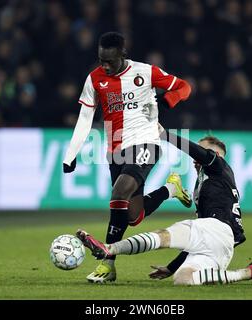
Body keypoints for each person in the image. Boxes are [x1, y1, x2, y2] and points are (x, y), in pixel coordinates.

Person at [62, 32, 192, 283]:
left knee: (119, 193)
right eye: (101, 60)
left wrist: (168, 100)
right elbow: (85, 118)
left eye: (110, 61)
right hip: (115, 151)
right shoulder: (94, 79)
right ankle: (170, 189)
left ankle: (107, 263)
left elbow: (184, 86)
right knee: (133, 216)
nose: (105, 66)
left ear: (123, 55)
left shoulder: (146, 72)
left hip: (146, 142)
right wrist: (71, 153)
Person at [76, 127, 252, 285]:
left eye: (203, 152)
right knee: (183, 279)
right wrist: (172, 267)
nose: (195, 158)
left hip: (217, 230)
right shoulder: (212, 184)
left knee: (165, 236)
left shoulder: (219, 166)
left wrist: (166, 135)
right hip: (222, 246)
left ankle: (109, 249)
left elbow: (197, 151)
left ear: (217, 154)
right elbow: (201, 238)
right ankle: (249, 272)